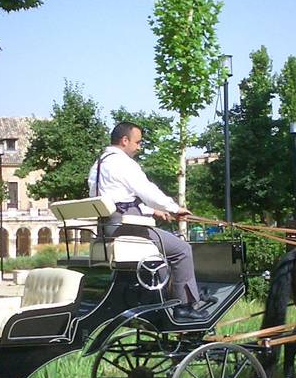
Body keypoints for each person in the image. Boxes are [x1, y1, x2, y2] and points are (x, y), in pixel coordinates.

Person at [88, 122, 208, 321]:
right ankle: (184, 306)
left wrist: (152, 211)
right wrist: (174, 208)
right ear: (124, 140)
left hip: (107, 228)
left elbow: (116, 200)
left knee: (166, 247)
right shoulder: (123, 163)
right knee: (182, 250)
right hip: (128, 230)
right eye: (137, 142)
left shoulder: (99, 163)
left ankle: (171, 294)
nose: (139, 147)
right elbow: (147, 190)